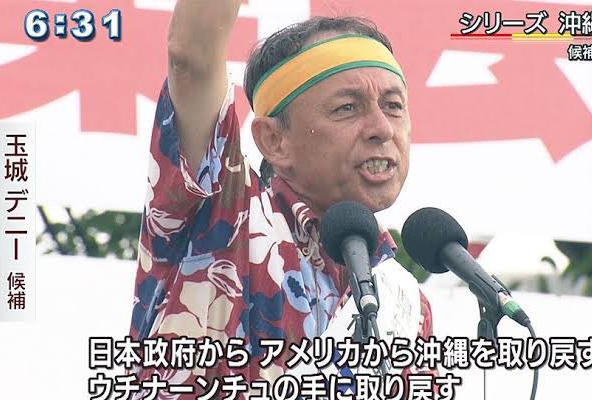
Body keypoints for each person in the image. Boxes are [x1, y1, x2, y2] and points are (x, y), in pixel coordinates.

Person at [128, 0, 435, 396]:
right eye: (347, 107)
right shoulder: (226, 213)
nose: (382, 128)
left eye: (393, 106)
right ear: (274, 140)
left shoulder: (407, 304)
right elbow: (192, 57)